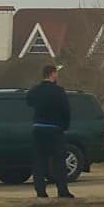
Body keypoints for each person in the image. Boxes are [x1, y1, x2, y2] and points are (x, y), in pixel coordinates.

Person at [26, 65, 74, 199]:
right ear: (53, 74)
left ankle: (40, 190)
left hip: (38, 128)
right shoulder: (58, 91)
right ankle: (62, 190)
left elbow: (28, 101)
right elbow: (66, 110)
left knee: (39, 160)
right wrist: (65, 126)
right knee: (59, 161)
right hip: (54, 128)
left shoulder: (35, 90)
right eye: (56, 73)